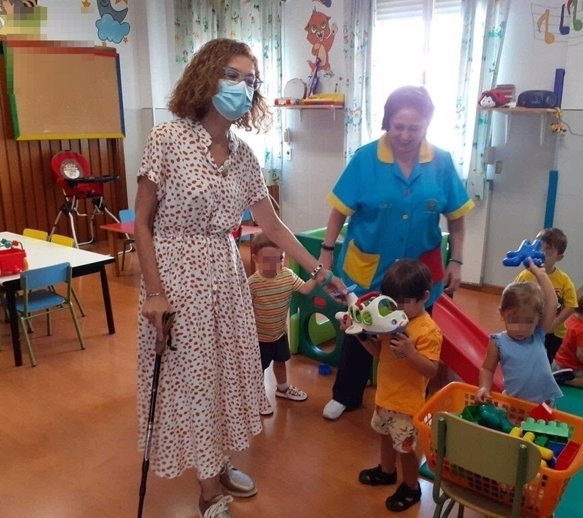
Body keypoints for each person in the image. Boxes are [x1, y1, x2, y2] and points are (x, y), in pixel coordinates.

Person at [134, 38, 345, 518]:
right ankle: (208, 488)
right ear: (206, 77)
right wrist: (155, 293)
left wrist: (319, 268)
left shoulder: (245, 153)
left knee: (226, 374)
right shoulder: (166, 138)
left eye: (249, 80)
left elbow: (271, 225)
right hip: (174, 275)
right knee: (193, 380)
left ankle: (220, 461)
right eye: (232, 75)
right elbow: (142, 223)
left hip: (226, 276)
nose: (241, 87)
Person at [319, 85, 474, 420]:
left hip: (422, 270)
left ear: (426, 125)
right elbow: (338, 212)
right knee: (359, 329)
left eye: (414, 128)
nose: (405, 134)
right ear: (387, 122)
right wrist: (326, 254)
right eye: (398, 126)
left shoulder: (442, 162)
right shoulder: (365, 158)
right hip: (369, 268)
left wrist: (457, 262)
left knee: (417, 336)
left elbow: (457, 220)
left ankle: (414, 401)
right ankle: (347, 394)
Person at [354, 260, 442, 513]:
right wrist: (360, 335)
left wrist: (411, 353)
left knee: (404, 447)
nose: (396, 308)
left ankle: (412, 487)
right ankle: (386, 471)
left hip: (407, 404)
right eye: (391, 302)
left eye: (403, 302)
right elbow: (380, 355)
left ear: (424, 297)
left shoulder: (428, 331)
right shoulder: (390, 322)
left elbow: (431, 370)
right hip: (385, 396)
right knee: (384, 435)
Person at [477, 259, 563, 405]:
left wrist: (539, 274)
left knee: (540, 428)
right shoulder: (498, 342)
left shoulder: (537, 334)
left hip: (544, 404)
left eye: (528, 321)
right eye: (514, 320)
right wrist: (484, 387)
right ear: (502, 313)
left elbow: (553, 303)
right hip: (514, 403)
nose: (521, 328)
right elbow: (487, 369)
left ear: (538, 319)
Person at [248, 232, 316, 415]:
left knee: (280, 361)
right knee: (258, 369)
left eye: (279, 259)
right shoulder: (252, 284)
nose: (274, 264)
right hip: (259, 338)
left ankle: (283, 388)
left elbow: (306, 288)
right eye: (268, 259)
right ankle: (257, 396)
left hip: (279, 333)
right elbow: (244, 311)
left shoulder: (287, 275)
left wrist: (318, 276)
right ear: (255, 258)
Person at [513, 228, 578, 363]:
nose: (541, 252)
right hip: (527, 327)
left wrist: (555, 323)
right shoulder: (525, 275)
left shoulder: (564, 280)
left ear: (559, 257)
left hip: (553, 333)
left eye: (548, 249)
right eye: (538, 246)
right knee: (524, 357)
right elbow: (513, 297)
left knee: (544, 361)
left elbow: (571, 305)